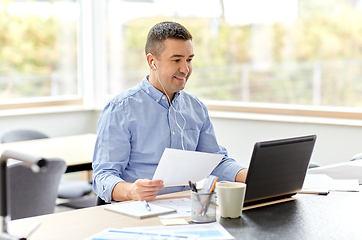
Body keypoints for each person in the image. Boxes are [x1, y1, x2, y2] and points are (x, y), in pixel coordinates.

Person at [92, 21, 248, 203]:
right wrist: (131, 190)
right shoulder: (120, 110)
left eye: (189, 60)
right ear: (152, 61)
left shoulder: (195, 108)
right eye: (176, 60)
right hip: (138, 210)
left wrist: (254, 175)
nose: (185, 69)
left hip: (186, 209)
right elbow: (103, 176)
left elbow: (215, 162)